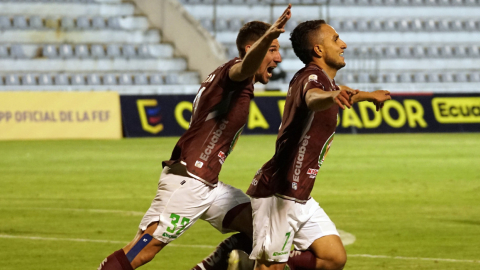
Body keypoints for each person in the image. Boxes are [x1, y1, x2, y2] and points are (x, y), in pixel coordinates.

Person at [97, 5, 292, 270]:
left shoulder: (227, 77)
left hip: (209, 185)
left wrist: (267, 41)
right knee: (142, 249)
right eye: (272, 49)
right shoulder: (236, 72)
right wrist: (267, 36)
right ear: (251, 49)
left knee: (264, 229)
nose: (278, 58)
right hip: (188, 182)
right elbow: (245, 66)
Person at [246, 20, 391, 270]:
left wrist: (369, 96)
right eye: (336, 39)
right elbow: (313, 97)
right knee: (271, 267)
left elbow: (338, 90)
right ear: (319, 50)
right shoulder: (312, 79)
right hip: (280, 191)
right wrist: (332, 96)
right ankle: (253, 258)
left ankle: (259, 255)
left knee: (333, 258)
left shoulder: (324, 81)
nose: (343, 44)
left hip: (300, 193)